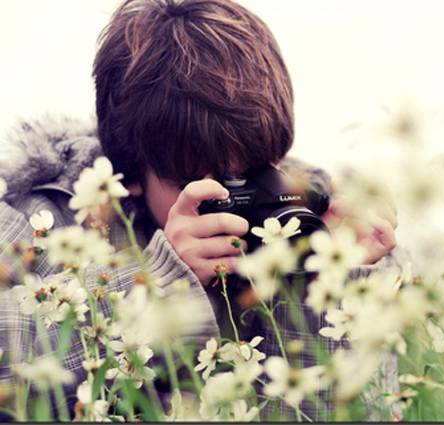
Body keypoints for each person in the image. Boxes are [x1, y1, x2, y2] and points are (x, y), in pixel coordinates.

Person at [0, 0, 400, 420]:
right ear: (129, 172)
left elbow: (351, 412)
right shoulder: (38, 220)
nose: (226, 199)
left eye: (250, 173)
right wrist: (162, 284)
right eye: (195, 182)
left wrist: (339, 284)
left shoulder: (310, 214)